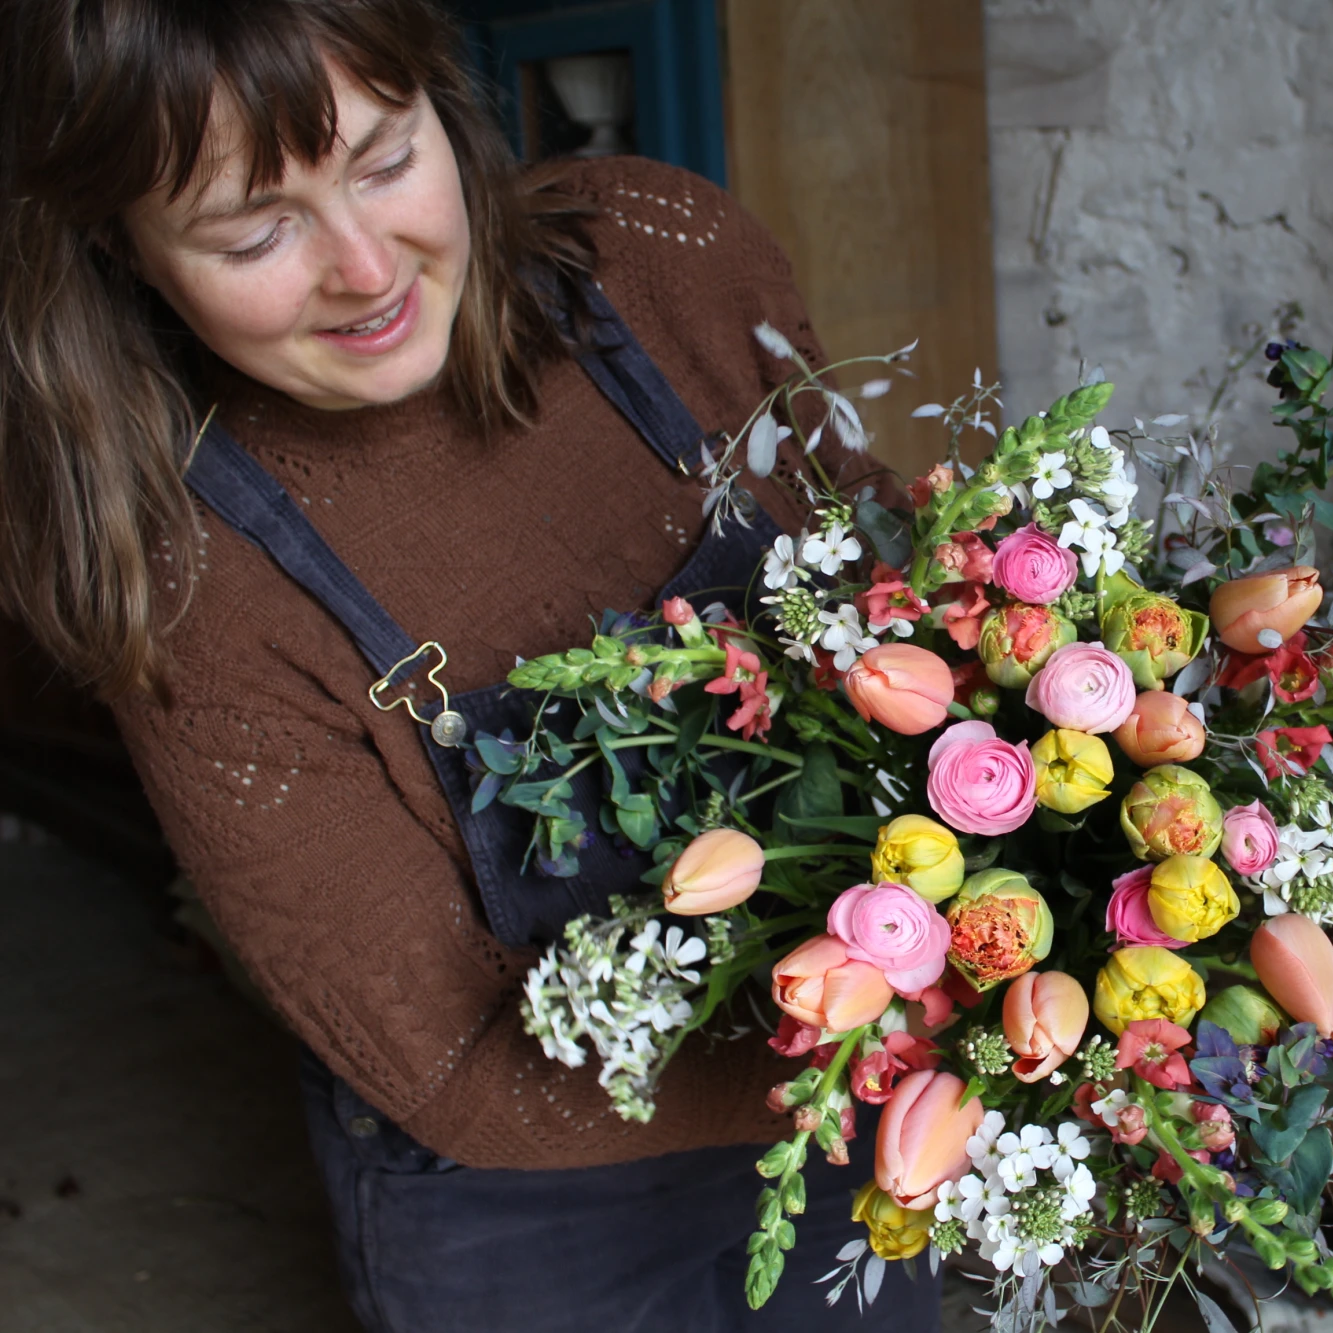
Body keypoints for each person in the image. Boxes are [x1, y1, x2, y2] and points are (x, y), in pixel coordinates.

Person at [0, 2, 940, 1330]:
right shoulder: (198, 595)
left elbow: (884, 570)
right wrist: (910, 1035)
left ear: (444, 101)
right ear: (122, 245)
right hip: (537, 1219)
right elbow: (453, 1064)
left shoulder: (666, 260)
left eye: (386, 159)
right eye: (258, 230)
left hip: (867, 1091)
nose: (365, 267)